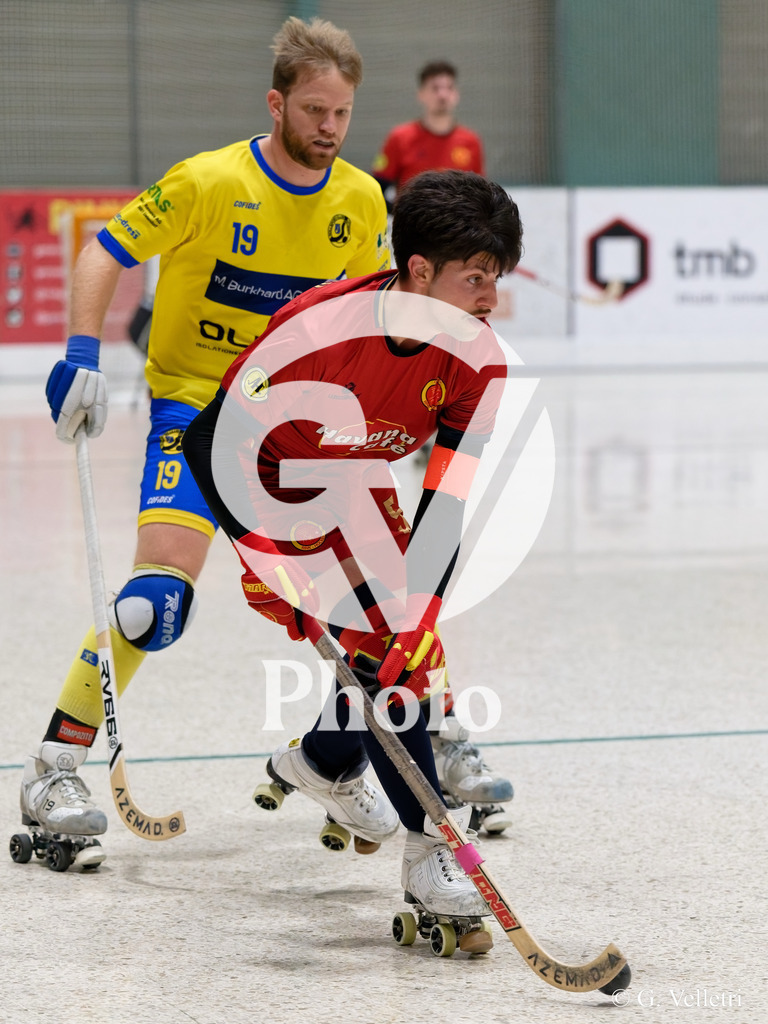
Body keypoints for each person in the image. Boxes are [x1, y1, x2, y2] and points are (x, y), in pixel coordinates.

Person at [19, 16, 393, 864]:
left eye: (341, 113)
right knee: (156, 605)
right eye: (314, 110)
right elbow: (103, 253)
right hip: (191, 414)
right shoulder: (206, 182)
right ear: (277, 103)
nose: (330, 128)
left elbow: (360, 316)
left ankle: (340, 763)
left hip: (288, 430)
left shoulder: (363, 200)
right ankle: (54, 764)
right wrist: (81, 353)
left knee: (376, 609)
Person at [182, 169, 523, 933]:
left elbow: (448, 496)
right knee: (379, 660)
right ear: (418, 272)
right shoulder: (316, 333)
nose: (489, 300)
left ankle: (325, 763)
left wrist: (422, 612)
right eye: (474, 280)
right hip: (267, 483)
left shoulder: (481, 361)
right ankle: (431, 851)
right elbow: (208, 440)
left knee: (405, 652)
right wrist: (269, 561)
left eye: (495, 279)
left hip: (357, 480)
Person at [371, 60, 485, 213]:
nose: (443, 95)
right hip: (414, 229)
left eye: (449, 88)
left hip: (458, 231)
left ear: (456, 94)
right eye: (435, 88)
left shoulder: (471, 141)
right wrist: (403, 214)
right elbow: (377, 189)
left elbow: (480, 194)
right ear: (421, 94)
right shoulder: (399, 137)